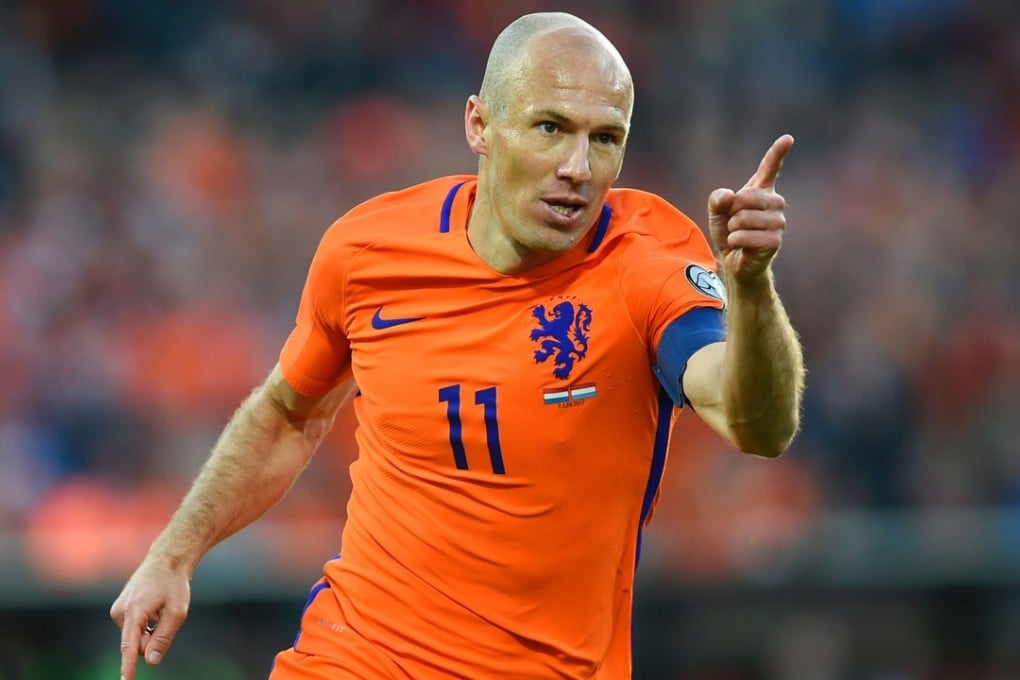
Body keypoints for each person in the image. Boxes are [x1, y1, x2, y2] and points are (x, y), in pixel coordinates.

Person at [111, 10, 805, 680]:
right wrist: (175, 552)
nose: (577, 167)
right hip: (357, 656)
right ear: (480, 124)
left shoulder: (648, 260)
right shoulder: (367, 251)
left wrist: (750, 290)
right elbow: (289, 413)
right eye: (550, 128)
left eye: (604, 138)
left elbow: (758, 426)